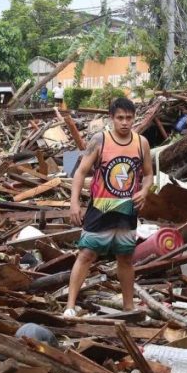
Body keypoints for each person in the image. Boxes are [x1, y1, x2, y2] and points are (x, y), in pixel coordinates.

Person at [66, 97, 153, 316]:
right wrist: (74, 203)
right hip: (101, 207)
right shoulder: (100, 140)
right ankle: (70, 306)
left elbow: (148, 174)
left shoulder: (141, 143)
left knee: (125, 258)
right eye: (120, 118)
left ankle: (128, 307)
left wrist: (144, 191)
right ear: (111, 118)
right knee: (86, 254)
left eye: (129, 118)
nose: (125, 122)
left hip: (127, 209)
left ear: (134, 118)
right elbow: (80, 172)